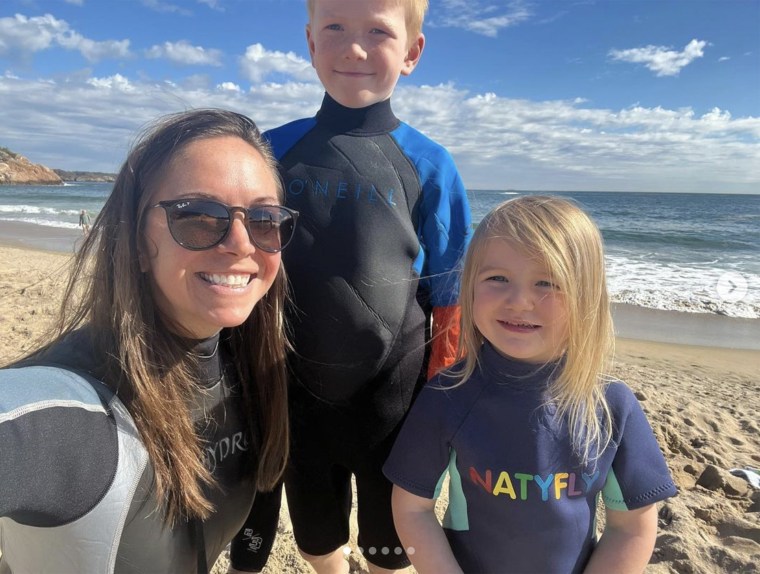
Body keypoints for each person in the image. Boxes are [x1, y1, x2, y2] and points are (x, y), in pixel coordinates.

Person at [0, 109, 299, 574]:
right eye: (199, 216)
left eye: (263, 219)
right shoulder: (73, 409)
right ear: (137, 241)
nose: (241, 243)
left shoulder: (254, 368)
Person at [229, 1, 471, 573]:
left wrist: (446, 399)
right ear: (311, 42)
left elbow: (452, 297)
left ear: (412, 52)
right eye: (334, 28)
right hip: (292, 394)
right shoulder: (268, 152)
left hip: (395, 401)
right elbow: (238, 260)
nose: (353, 48)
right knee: (316, 540)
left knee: (391, 550)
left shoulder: (432, 167)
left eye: (377, 32)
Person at [384, 195, 678, 574]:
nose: (520, 301)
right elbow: (412, 507)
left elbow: (632, 526)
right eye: (497, 278)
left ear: (586, 297)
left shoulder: (610, 404)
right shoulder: (449, 395)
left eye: (547, 282)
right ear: (469, 285)